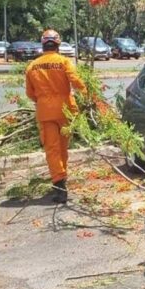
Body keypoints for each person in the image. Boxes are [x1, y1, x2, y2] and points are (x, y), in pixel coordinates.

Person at [25, 29, 87, 203]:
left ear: (43, 44)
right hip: (66, 111)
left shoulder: (32, 66)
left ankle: (59, 184)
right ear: (58, 44)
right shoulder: (64, 62)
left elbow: (30, 94)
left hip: (46, 113)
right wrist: (88, 95)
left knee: (52, 150)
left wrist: (43, 98)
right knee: (62, 148)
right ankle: (62, 178)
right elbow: (76, 82)